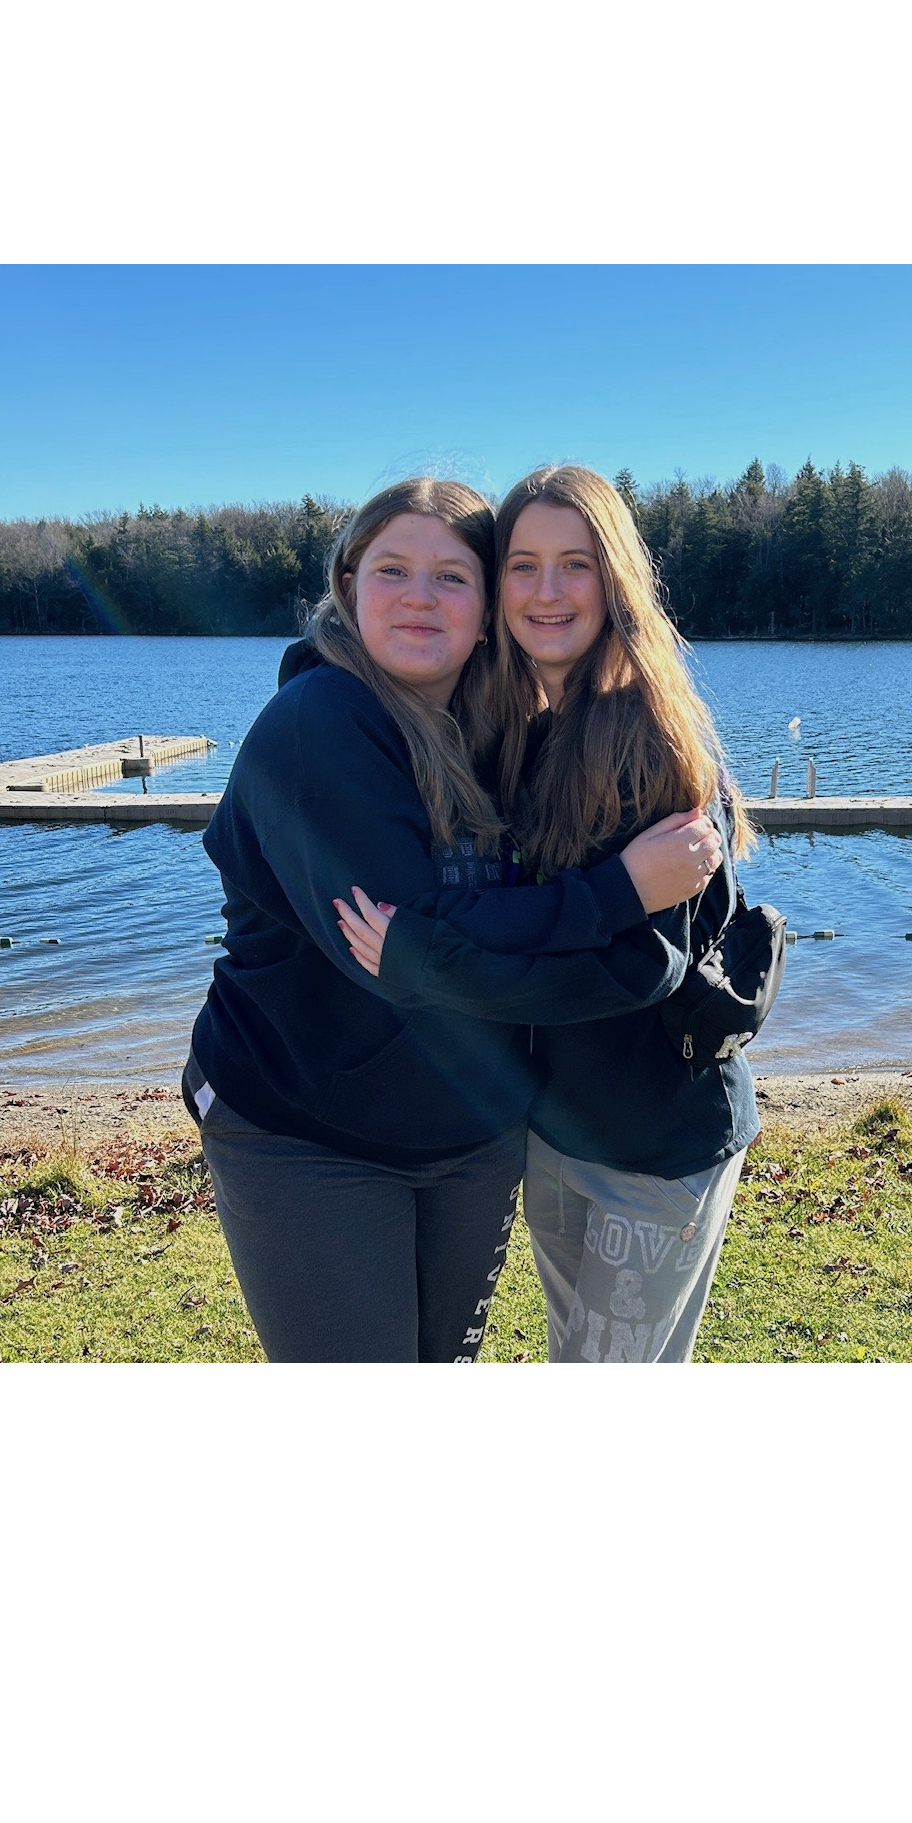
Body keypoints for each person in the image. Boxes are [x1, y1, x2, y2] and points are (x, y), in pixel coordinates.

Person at [183, 476, 722, 1363]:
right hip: (312, 1132)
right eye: (393, 570)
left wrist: (678, 849)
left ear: (486, 612)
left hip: (470, 1137)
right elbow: (409, 949)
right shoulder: (319, 726)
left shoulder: (501, 731)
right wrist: (617, 896)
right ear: (348, 584)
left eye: (453, 576)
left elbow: (461, 945)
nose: (420, 598)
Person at [336, 463, 761, 1364]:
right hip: (558, 1130)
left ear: (616, 578)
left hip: (657, 1138)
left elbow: (635, 969)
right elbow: (498, 907)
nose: (547, 591)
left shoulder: (655, 744)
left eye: (575, 564)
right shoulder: (520, 728)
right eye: (522, 564)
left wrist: (429, 963)